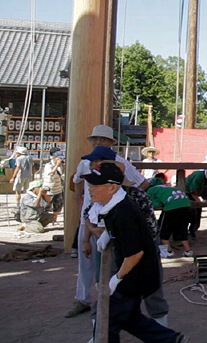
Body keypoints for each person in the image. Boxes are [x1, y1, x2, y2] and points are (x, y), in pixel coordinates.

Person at [82, 162, 189, 343]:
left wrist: (117, 278)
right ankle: (170, 340)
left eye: (95, 185)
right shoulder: (112, 205)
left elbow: (135, 254)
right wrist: (108, 235)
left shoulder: (123, 212)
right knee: (129, 317)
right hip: (136, 271)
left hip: (136, 273)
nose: (90, 189)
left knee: (107, 315)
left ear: (112, 187)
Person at [67, 124, 149, 319]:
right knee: (86, 260)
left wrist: (123, 204)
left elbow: (142, 183)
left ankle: (112, 300)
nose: (96, 142)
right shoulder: (85, 163)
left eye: (100, 139)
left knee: (113, 260)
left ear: (107, 142)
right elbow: (78, 186)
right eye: (94, 139)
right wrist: (82, 212)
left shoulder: (120, 163)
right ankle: (84, 299)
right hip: (89, 218)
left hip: (110, 220)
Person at [146, 178, 193, 258]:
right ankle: (188, 250)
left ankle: (168, 251)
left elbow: (154, 204)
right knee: (182, 228)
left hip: (172, 207)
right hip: (186, 205)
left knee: (163, 230)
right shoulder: (168, 187)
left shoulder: (150, 190)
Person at [185, 167, 207, 238]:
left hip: (197, 194)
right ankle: (185, 230)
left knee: (198, 211)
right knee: (191, 210)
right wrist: (199, 201)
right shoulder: (199, 175)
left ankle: (193, 229)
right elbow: (193, 191)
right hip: (187, 192)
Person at [42, 150, 65, 223]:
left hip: (58, 189)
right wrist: (57, 165)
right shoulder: (48, 165)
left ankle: (54, 220)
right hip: (49, 189)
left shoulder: (60, 166)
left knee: (57, 206)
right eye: (59, 159)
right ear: (54, 158)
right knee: (46, 206)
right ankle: (45, 220)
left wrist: (63, 167)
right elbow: (51, 174)